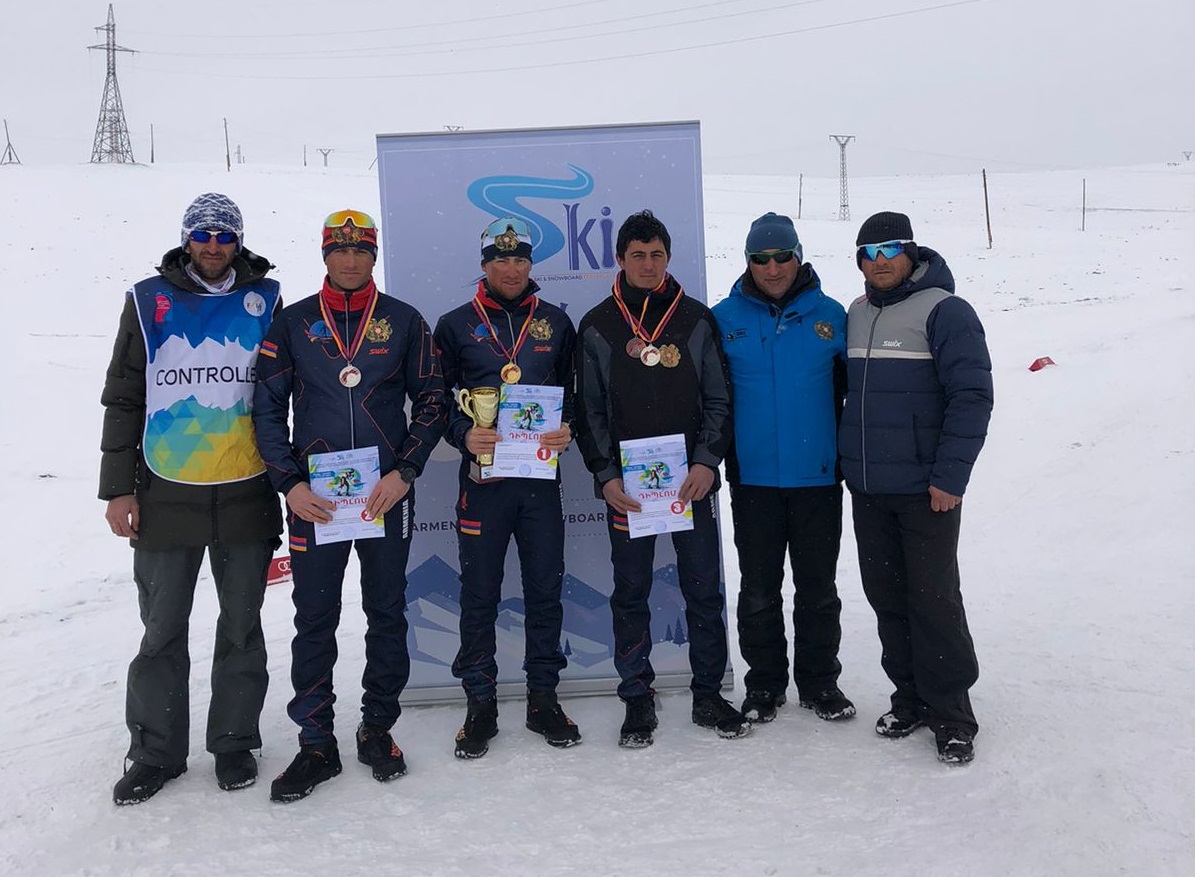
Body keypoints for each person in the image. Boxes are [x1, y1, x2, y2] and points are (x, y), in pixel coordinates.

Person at [252, 210, 448, 801]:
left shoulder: (403, 320)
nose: (351, 259)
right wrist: (289, 483)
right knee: (315, 617)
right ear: (324, 255)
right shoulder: (293, 323)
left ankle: (377, 728)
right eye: (340, 249)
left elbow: (434, 400)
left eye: (361, 249)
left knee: (387, 612)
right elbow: (266, 409)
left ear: (373, 255)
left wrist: (405, 471)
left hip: (385, 494)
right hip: (316, 499)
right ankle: (316, 743)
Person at [99, 193, 283, 805]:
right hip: (165, 488)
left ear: (238, 241)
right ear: (186, 239)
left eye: (224, 236)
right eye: (202, 234)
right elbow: (124, 396)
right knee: (161, 629)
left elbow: (288, 392)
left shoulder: (267, 300)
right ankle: (155, 752)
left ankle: (234, 741)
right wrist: (117, 488)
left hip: (246, 488)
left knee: (241, 626)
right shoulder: (147, 299)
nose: (212, 245)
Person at [574, 209, 749, 747]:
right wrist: (606, 475)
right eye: (637, 255)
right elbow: (588, 410)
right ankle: (636, 696)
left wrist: (706, 462)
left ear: (669, 257)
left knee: (703, 589)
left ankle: (708, 694)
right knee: (631, 591)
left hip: (691, 483)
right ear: (620, 259)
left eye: (656, 255)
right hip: (628, 490)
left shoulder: (695, 319)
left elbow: (719, 398)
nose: (648, 265)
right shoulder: (599, 324)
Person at [839, 211, 993, 765]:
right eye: (869, 252)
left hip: (926, 491)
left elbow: (971, 397)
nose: (879, 261)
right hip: (869, 488)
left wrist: (950, 478)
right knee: (887, 598)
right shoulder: (856, 313)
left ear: (911, 252)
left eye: (890, 249)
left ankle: (951, 714)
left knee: (934, 600)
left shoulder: (946, 311)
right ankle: (908, 698)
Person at [433, 217, 581, 758]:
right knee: (479, 595)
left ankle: (543, 698)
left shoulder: (555, 323)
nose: (512, 269)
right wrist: (462, 432)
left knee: (545, 590)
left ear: (531, 265)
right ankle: (481, 703)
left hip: (539, 483)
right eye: (501, 260)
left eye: (520, 259)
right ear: (484, 265)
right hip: (484, 484)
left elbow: (575, 393)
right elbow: (435, 399)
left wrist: (569, 428)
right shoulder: (454, 325)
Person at [711, 213, 855, 726]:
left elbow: (860, 393)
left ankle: (820, 683)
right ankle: (765, 684)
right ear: (747, 261)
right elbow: (709, 398)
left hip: (818, 476)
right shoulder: (723, 319)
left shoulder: (833, 316)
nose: (772, 269)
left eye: (781, 257)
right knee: (758, 591)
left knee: (818, 590)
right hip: (754, 480)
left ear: (799, 256)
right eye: (760, 259)